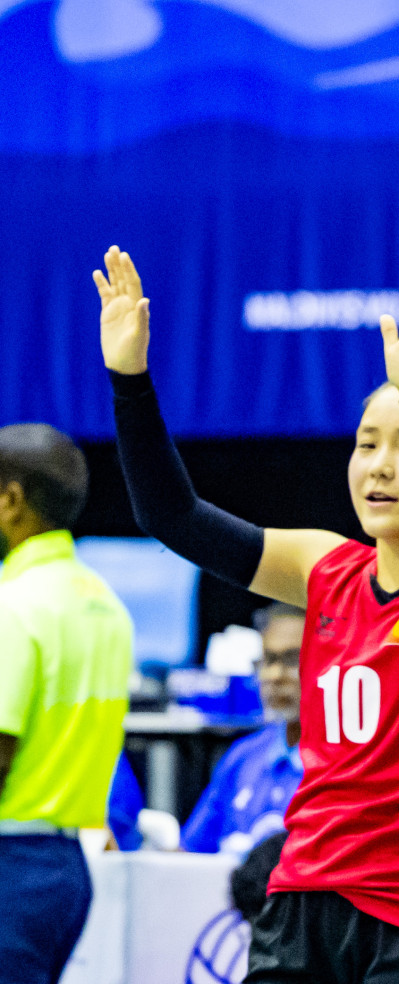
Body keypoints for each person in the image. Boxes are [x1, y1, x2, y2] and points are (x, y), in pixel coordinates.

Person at [96, 250, 399, 984]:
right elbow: (176, 516)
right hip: (299, 895)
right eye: (365, 444)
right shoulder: (328, 567)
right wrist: (129, 381)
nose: (377, 466)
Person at [0, 422, 133, 984]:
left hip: (9, 866)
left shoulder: (15, 603)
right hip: (67, 873)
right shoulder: (107, 607)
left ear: (11, 500)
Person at [182, 602, 306, 856]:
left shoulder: (343, 763)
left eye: (291, 660)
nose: (274, 675)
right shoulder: (242, 757)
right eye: (268, 660)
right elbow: (190, 854)